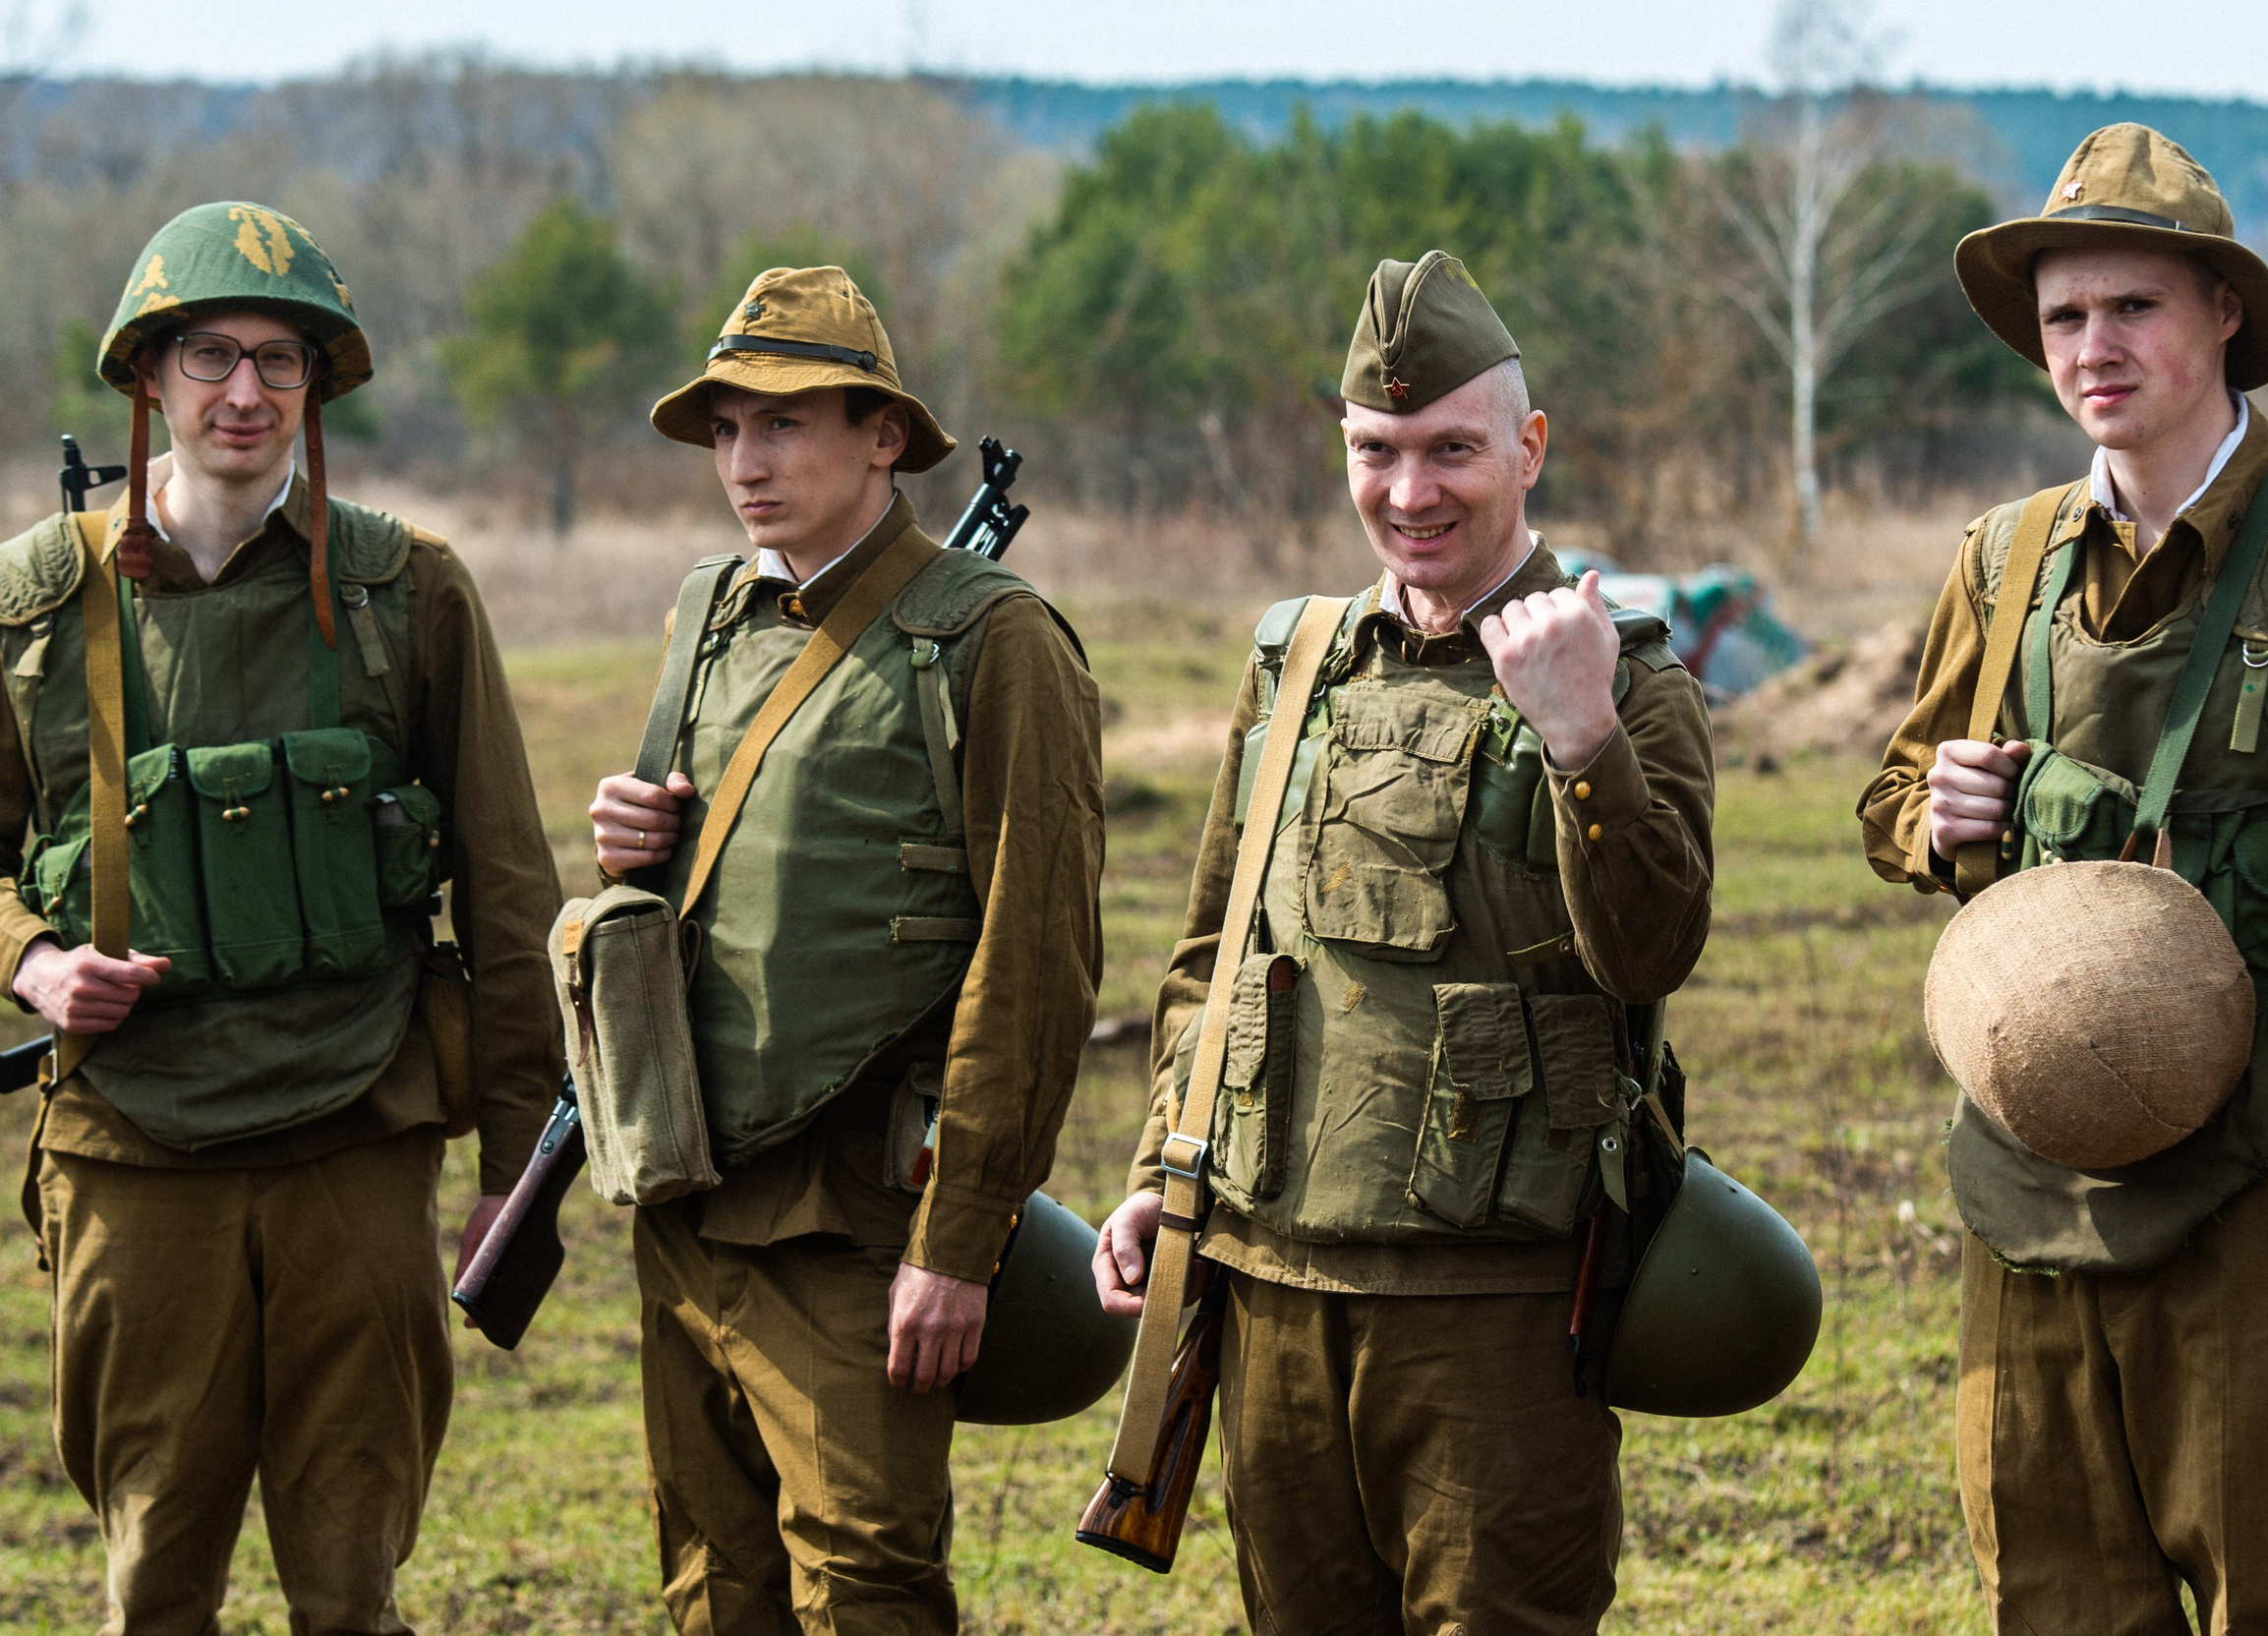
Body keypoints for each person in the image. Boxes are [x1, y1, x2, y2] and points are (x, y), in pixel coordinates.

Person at [1859, 125, 2268, 1631]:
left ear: (2226, 313)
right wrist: (1943, 818)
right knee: (2054, 1600)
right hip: (2031, 1192)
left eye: (2133, 306)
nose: (2094, 346)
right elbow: (1897, 795)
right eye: (2065, 316)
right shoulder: (2005, 561)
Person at [1091, 250, 1716, 1634]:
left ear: (1529, 448)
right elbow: (1213, 953)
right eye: (1376, 450)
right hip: (1271, 1285)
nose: (1410, 492)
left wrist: (1582, 735)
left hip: (1496, 1309)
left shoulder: (1625, 673)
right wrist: (1159, 1176)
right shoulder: (1297, 662)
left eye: (1452, 450)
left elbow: (1654, 955)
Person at [6, 201, 562, 1628]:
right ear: (148, 376)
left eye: (279, 360)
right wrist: (36, 961)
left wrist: (516, 1169)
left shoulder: (408, 589)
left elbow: (510, 893)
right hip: (133, 1154)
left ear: (318, 384)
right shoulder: (34, 604)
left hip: (354, 1142)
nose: (243, 392)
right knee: (152, 1583)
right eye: (209, 355)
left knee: (350, 1584)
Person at [587, 264, 1104, 1632]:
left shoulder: (995, 640)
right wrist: (635, 843)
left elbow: (1036, 966)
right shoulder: (709, 613)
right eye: (725, 430)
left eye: (783, 424)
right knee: (713, 1581)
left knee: (865, 1584)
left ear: (884, 436)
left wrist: (960, 1241)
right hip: (687, 1191)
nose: (744, 464)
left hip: (853, 1215)